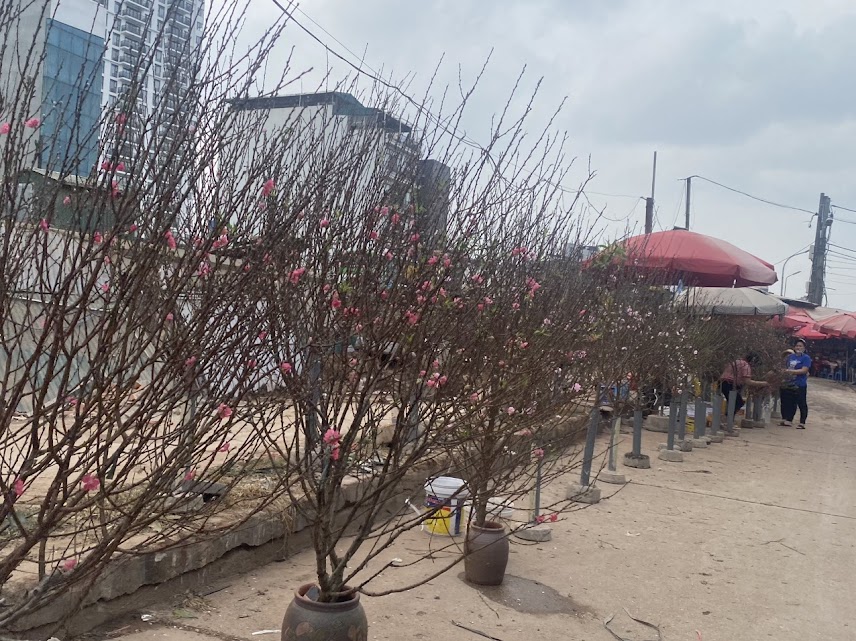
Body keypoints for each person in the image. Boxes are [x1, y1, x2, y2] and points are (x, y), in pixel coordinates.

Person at [780, 339, 812, 429]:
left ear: (804, 348)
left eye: (800, 346)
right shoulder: (790, 357)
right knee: (790, 402)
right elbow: (785, 366)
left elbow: (804, 370)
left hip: (800, 384)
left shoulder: (806, 358)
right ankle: (788, 419)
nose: (798, 347)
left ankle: (802, 422)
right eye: (797, 346)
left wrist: (790, 371)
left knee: (801, 402)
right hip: (789, 382)